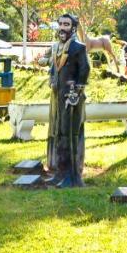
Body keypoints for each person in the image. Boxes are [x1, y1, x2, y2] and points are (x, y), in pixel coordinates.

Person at [49, 13, 90, 188]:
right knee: (59, 133)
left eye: (66, 24)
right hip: (58, 97)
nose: (62, 27)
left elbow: (85, 71)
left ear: (73, 27)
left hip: (72, 99)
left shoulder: (78, 47)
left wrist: (77, 92)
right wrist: (52, 79)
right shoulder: (57, 47)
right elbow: (54, 69)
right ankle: (60, 172)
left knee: (70, 134)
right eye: (60, 24)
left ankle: (72, 175)